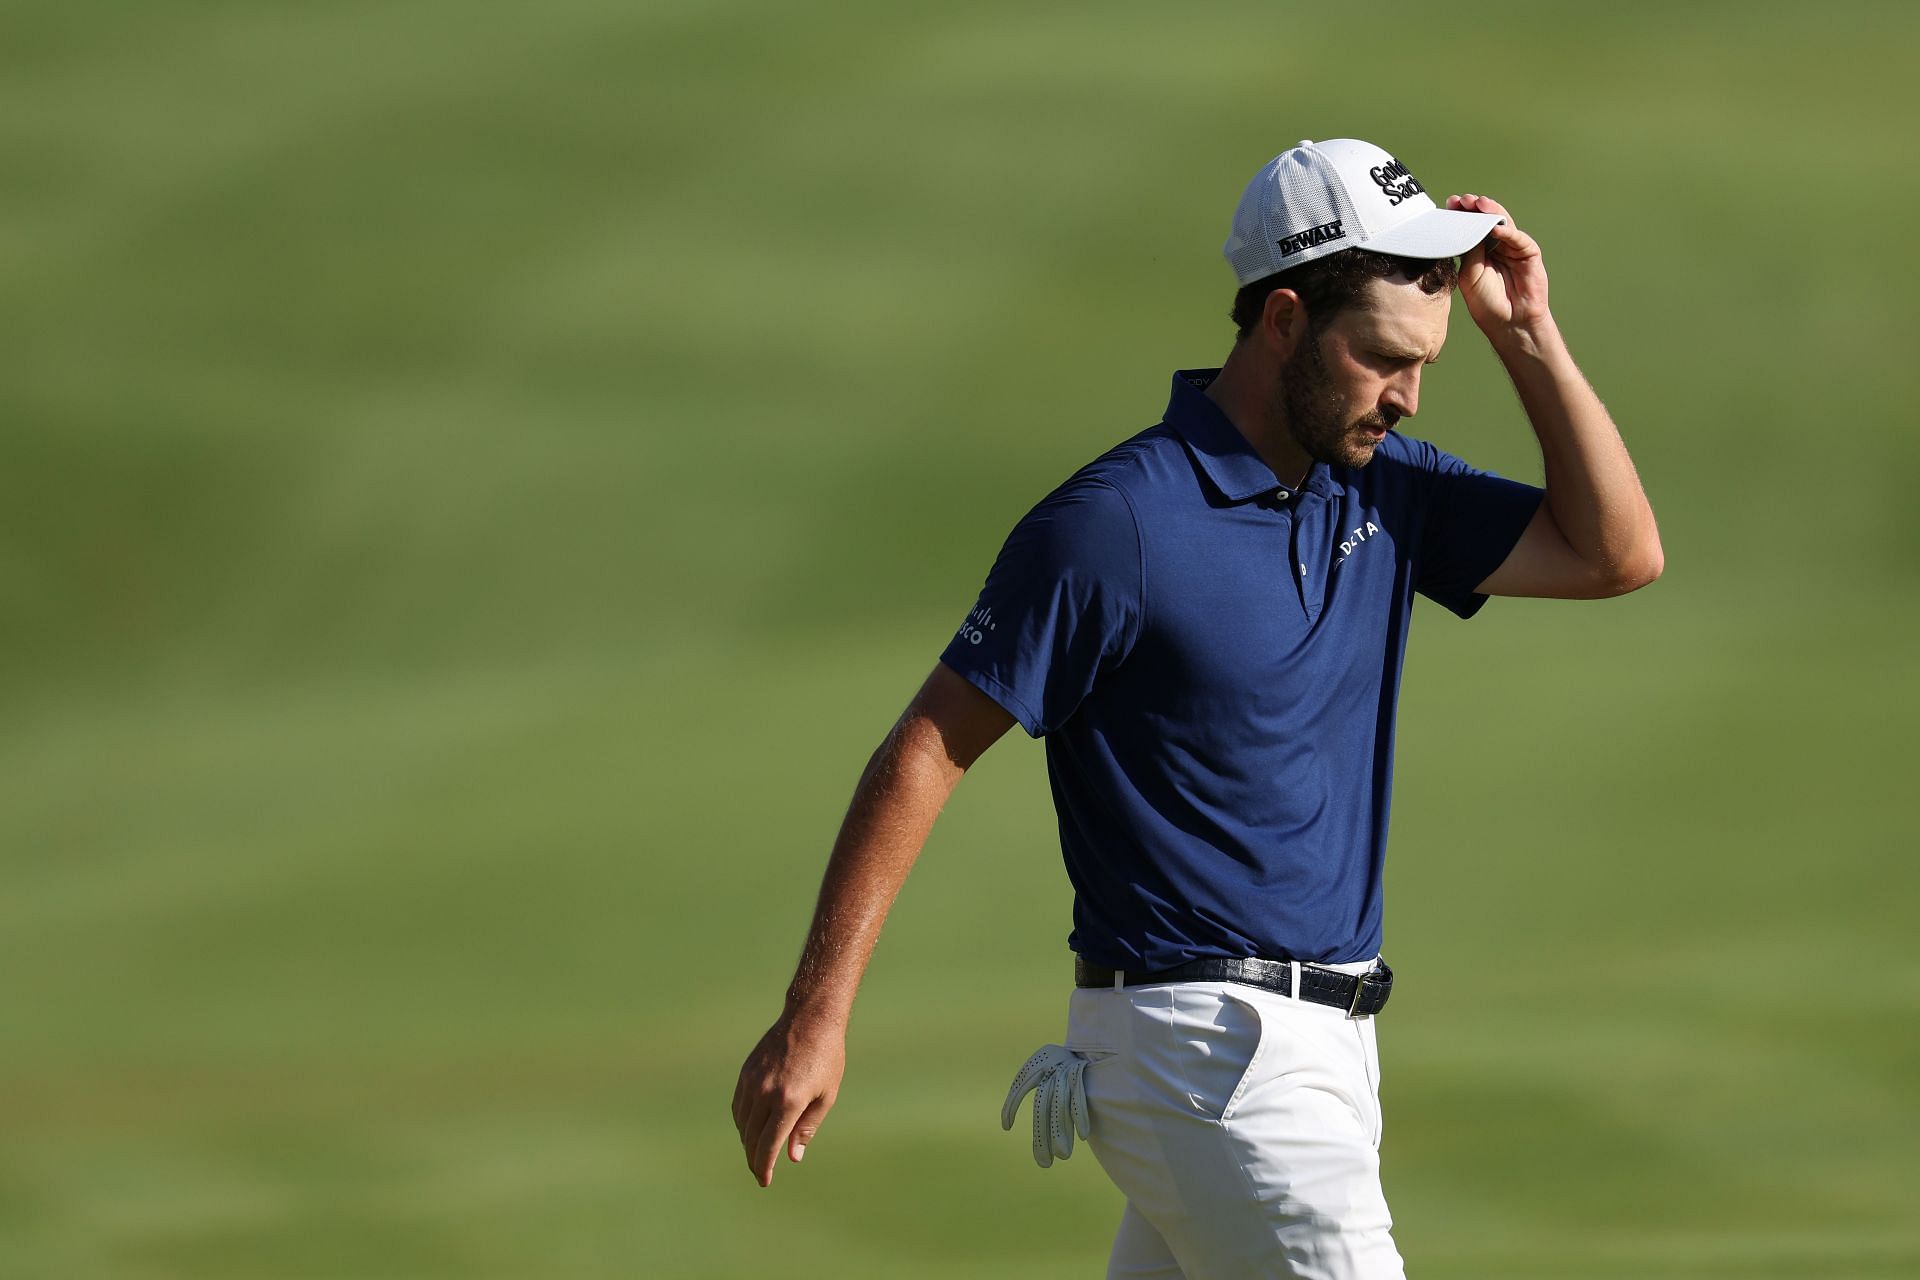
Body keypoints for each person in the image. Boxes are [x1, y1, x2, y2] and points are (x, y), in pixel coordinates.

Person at [731, 137, 1662, 1278]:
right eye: (1379, 357)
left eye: (1424, 363)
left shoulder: (1383, 486)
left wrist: (1526, 335)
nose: (1406, 394)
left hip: (1314, 1049)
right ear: (1282, 321)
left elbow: (1617, 552)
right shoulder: (1116, 524)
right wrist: (815, 1014)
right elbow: (929, 744)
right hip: (1210, 1052)